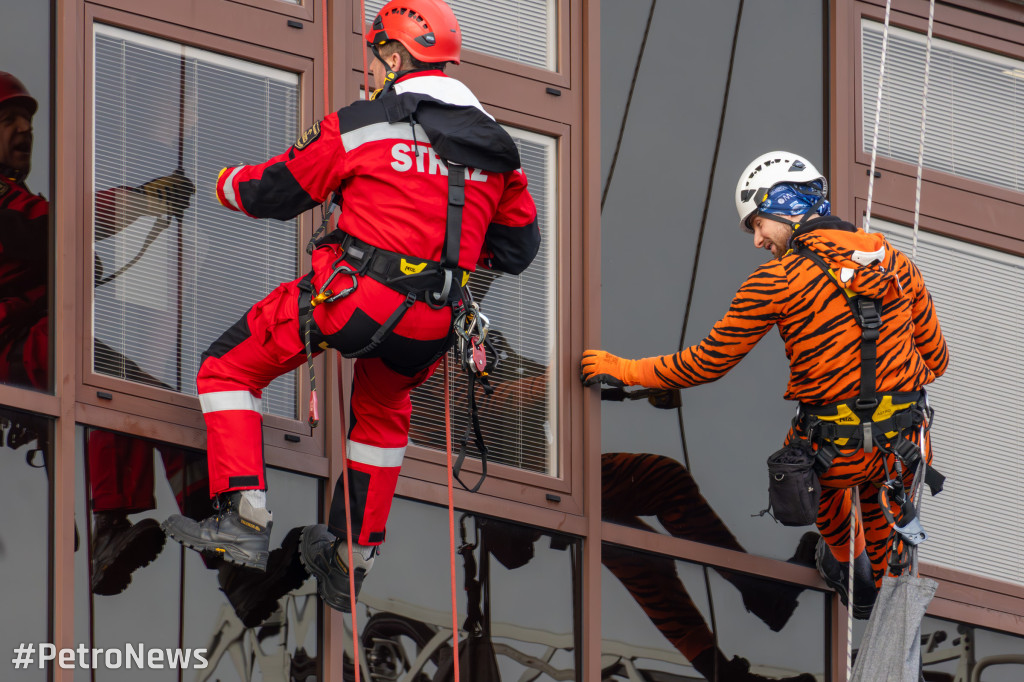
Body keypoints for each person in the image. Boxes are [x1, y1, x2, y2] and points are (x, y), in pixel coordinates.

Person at [161, 0, 540, 614]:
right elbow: (518, 249)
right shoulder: (498, 153)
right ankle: (351, 556)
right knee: (385, 413)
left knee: (226, 368)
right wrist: (441, 260)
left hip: (352, 299)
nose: (372, 69)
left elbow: (275, 193)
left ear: (394, 55)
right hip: (432, 325)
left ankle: (244, 515)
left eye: (376, 56)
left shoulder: (365, 123)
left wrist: (224, 180)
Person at [581, 151, 948, 619]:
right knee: (879, 494)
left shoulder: (778, 279)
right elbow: (936, 360)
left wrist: (624, 368)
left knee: (821, 480)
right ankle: (877, 581)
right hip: (905, 447)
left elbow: (706, 363)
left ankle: (848, 565)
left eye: (757, 223)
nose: (757, 240)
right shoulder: (898, 264)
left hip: (835, 454)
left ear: (787, 206)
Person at [0, 71, 196, 594]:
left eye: (28, 120)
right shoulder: (6, 205)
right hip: (10, 348)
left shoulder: (15, 202)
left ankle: (217, 534)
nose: (24, 130)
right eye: (8, 120)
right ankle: (113, 525)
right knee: (105, 379)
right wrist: (141, 200)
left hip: (28, 342)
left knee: (154, 402)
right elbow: (49, 228)